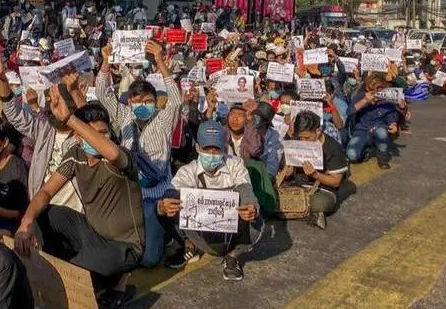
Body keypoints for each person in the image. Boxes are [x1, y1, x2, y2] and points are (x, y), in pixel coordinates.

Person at [14, 94, 144, 308]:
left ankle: (113, 279)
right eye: (89, 133)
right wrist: (26, 223)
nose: (96, 138)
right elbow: (46, 191)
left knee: (71, 278)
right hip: (92, 234)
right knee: (47, 213)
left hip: (123, 248)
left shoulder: (122, 158)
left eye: (102, 133)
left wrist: (70, 118)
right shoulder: (75, 154)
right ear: (78, 137)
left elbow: (111, 153)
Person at [96, 41, 182, 267]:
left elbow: (176, 99)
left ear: (155, 103)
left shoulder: (163, 120)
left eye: (148, 101)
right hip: (130, 193)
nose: (142, 105)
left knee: (150, 260)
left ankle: (167, 237)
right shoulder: (125, 116)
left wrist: (160, 62)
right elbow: (103, 96)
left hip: (158, 194)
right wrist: (106, 61)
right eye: (136, 102)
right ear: (129, 103)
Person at [159, 120, 262, 280]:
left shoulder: (235, 165)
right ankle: (189, 246)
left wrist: (250, 205)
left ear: (225, 149)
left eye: (217, 149)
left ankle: (232, 256)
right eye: (207, 149)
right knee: (162, 209)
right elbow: (173, 191)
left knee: (256, 217)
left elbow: (245, 188)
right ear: (198, 148)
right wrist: (166, 203)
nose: (212, 154)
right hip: (200, 232)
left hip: (229, 233)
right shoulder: (187, 171)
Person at [0, 53, 87, 214]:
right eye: (51, 105)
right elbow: (14, 115)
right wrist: (1, 78)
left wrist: (76, 94)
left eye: (60, 106)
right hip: (42, 210)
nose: (53, 110)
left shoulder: (85, 137)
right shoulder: (44, 129)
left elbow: (96, 127)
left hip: (75, 216)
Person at [281, 111, 348, 229]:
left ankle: (299, 210)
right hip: (295, 185)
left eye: (307, 137)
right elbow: (285, 168)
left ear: (318, 131)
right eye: (300, 137)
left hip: (322, 189)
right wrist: (287, 172)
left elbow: (336, 181)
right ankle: (305, 212)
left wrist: (315, 174)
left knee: (320, 203)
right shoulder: (296, 139)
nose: (303, 141)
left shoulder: (333, 147)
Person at [346, 74, 399, 169]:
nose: (377, 91)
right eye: (374, 88)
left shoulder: (386, 99)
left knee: (382, 133)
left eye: (380, 88)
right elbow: (349, 111)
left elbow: (390, 115)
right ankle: (367, 151)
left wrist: (393, 124)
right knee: (352, 155)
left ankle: (382, 156)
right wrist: (365, 100)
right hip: (361, 130)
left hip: (378, 127)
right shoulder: (360, 96)